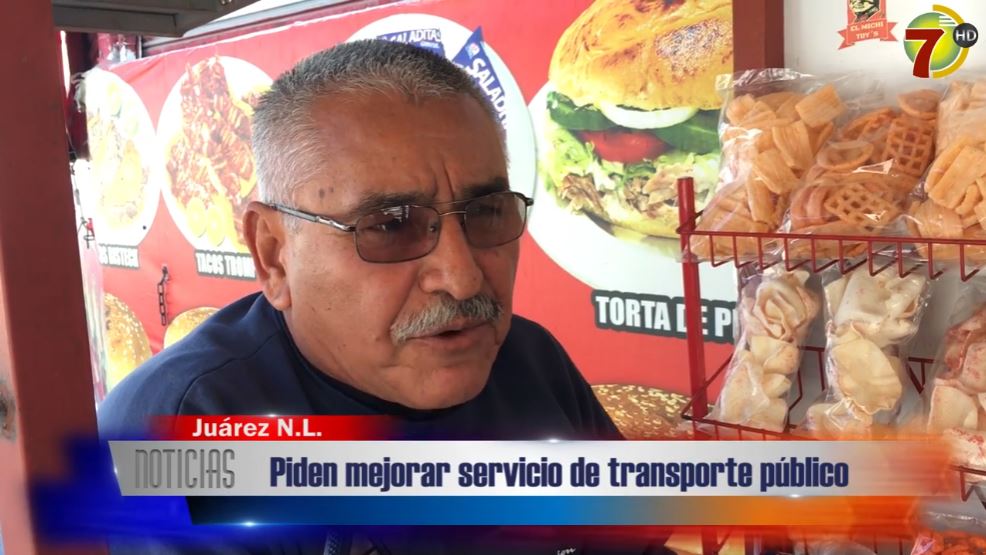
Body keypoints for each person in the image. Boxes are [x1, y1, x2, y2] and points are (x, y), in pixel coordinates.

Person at [98, 40, 669, 554]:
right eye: (391, 225)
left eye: (486, 213)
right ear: (274, 254)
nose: (463, 279)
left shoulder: (528, 361)